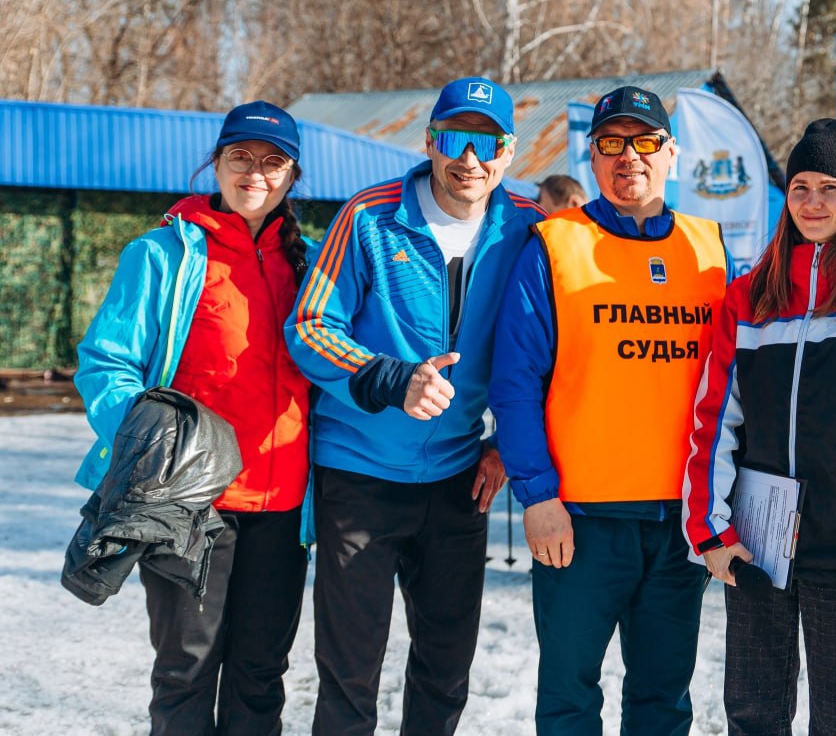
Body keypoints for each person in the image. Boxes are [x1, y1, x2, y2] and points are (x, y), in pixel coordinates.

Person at [285, 76, 543, 735]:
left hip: (459, 480)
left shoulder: (529, 228)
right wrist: (392, 378)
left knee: (445, 670)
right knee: (349, 671)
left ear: (509, 152)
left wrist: (502, 447)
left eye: (487, 144)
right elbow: (310, 326)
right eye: (455, 139)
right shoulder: (369, 216)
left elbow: (553, 354)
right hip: (359, 473)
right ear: (430, 140)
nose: (470, 159)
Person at [682, 118, 836, 735]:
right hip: (756, 548)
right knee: (752, 718)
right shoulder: (748, 300)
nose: (813, 202)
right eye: (800, 187)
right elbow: (714, 422)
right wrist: (711, 532)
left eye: (830, 188)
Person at [490, 85, 730, 735]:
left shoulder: (709, 251)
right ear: (592, 157)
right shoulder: (555, 245)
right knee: (569, 700)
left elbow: (733, 386)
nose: (631, 156)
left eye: (646, 141)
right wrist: (537, 497)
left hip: (678, 525)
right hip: (579, 523)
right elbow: (515, 383)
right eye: (612, 143)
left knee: (662, 701)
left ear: (671, 153)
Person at [74, 101, 313, 734]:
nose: (254, 173)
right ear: (217, 162)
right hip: (189, 509)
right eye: (240, 156)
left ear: (292, 175)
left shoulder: (311, 263)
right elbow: (105, 363)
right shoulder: (162, 255)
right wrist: (152, 450)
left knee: (262, 675)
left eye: (272, 161)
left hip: (285, 509)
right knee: (185, 672)